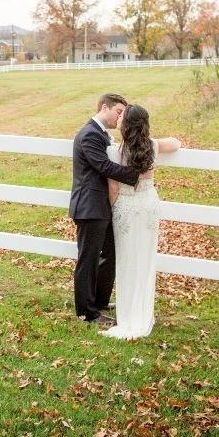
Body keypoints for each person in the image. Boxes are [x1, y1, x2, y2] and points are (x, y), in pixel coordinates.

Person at [101, 103, 181, 339]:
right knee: (145, 259)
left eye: (121, 117)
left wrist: (113, 210)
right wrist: (177, 141)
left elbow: (113, 188)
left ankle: (128, 315)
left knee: (126, 261)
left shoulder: (114, 151)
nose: (118, 120)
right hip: (148, 206)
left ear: (126, 125)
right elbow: (175, 143)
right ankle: (143, 312)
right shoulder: (153, 146)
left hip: (126, 207)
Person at [69, 93, 140, 326]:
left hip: (103, 205)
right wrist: (135, 175)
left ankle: (99, 301)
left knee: (110, 254)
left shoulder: (102, 134)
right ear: (104, 107)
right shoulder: (89, 134)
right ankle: (87, 312)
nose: (121, 117)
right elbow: (103, 165)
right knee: (88, 259)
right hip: (90, 206)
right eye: (119, 112)